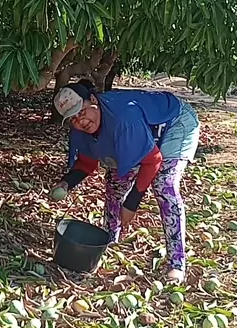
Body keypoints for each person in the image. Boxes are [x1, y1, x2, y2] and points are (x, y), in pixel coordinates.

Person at [50, 81, 200, 283]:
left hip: (174, 123)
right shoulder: (83, 128)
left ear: (93, 100)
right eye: (73, 118)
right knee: (115, 183)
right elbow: (87, 162)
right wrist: (66, 183)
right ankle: (109, 241)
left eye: (82, 111)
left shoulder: (122, 118)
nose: (80, 121)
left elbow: (153, 161)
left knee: (164, 185)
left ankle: (177, 263)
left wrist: (131, 204)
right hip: (141, 133)